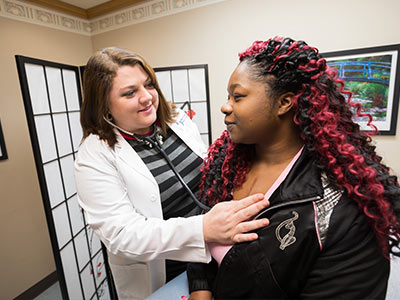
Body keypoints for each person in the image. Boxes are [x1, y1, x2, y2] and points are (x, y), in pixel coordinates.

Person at [187, 37, 400, 299]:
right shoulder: (225, 168)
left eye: (238, 96)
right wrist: (201, 290)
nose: (225, 106)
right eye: (228, 96)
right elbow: (203, 234)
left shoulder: (344, 211)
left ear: (284, 103)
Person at [74, 47, 270, 300]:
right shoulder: (94, 155)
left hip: (212, 255)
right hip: (163, 270)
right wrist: (202, 229)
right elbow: (121, 235)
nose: (147, 98)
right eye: (130, 93)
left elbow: (207, 176)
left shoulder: (176, 119)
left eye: (149, 85)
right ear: (104, 104)